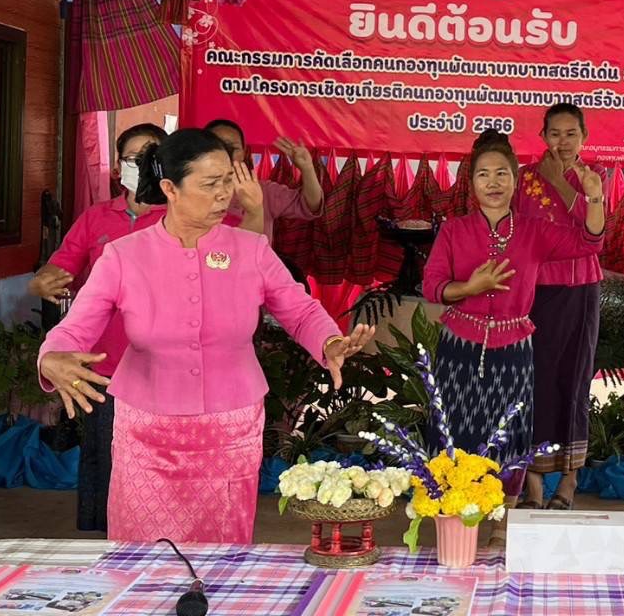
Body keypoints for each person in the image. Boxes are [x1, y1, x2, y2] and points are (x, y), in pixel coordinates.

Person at [36, 128, 375, 543]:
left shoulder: (250, 249)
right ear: (169, 188)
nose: (224, 194)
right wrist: (52, 354)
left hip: (230, 431)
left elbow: (299, 308)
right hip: (146, 434)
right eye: (211, 184)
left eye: (228, 180)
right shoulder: (123, 256)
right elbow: (77, 326)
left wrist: (329, 341)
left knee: (224, 554)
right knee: (143, 556)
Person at [422, 129, 605, 500]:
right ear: (471, 183)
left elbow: (590, 241)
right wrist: (468, 289)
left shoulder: (533, 231)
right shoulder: (455, 231)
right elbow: (432, 286)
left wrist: (595, 196)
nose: (493, 183)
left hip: (514, 349)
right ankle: (454, 513)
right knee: (455, 432)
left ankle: (499, 520)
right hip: (459, 347)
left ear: (515, 180)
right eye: (483, 174)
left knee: (508, 435)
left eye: (502, 173)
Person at [26, 122, 167, 533]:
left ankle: (158, 545)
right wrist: (41, 281)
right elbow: (59, 266)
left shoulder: (181, 217)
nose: (141, 166)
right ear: (116, 167)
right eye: (133, 158)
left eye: (151, 157)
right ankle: (103, 547)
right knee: (104, 458)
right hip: (104, 362)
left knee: (158, 463)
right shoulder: (95, 219)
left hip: (165, 365)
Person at [514, 103, 606, 511]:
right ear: (542, 136)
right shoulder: (522, 180)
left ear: (584, 137)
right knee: (532, 382)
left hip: (580, 289)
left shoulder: (594, 178)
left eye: (571, 133)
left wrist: (564, 185)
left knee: (574, 380)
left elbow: (594, 231)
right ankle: (532, 485)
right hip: (533, 292)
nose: (563, 142)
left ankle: (568, 480)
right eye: (555, 133)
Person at [205, 118, 323, 242]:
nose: (227, 153)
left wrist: (307, 169)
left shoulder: (264, 191)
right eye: (219, 147)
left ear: (244, 152)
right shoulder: (191, 189)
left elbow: (311, 205)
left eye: (233, 147)